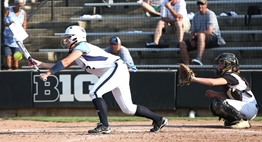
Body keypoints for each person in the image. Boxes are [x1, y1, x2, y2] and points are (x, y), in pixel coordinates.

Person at [29, 25, 168, 134]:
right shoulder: (77, 52)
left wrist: (47, 74)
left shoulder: (81, 46)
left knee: (95, 92)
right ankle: (158, 119)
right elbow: (62, 64)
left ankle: (104, 125)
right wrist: (38, 63)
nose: (66, 40)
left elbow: (64, 62)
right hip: (117, 71)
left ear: (76, 38)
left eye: (68, 37)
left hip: (117, 68)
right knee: (128, 108)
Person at [191, 53, 258, 129]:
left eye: (222, 63)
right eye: (219, 63)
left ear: (229, 64)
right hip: (246, 107)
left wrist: (193, 79)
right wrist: (215, 94)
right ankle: (235, 120)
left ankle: (242, 121)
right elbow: (232, 96)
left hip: (248, 107)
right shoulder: (230, 76)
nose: (219, 65)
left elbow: (213, 82)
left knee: (218, 103)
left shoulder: (231, 76)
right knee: (213, 107)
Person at [179, 0, 225, 65]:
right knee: (182, 44)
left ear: (206, 5)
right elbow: (193, 31)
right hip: (200, 38)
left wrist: (196, 34)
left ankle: (199, 59)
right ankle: (187, 66)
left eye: (202, 4)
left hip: (213, 38)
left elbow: (209, 31)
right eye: (198, 4)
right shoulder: (195, 16)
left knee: (201, 35)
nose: (200, 6)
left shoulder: (210, 14)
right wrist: (191, 39)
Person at [3, 0, 27, 70]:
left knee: (16, 58)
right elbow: (2, 23)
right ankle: (8, 71)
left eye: (21, 6)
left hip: (17, 40)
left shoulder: (23, 13)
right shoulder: (8, 10)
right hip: (7, 39)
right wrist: (9, 24)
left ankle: (15, 72)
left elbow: (24, 25)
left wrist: (21, 34)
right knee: (8, 57)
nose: (20, 7)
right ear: (15, 4)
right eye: (18, 6)